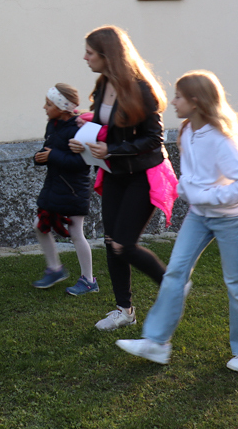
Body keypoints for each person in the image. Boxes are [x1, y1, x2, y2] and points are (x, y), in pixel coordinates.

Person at [116, 71, 238, 372]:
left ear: (196, 101)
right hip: (199, 216)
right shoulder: (188, 130)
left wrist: (206, 196)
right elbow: (191, 175)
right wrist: (187, 188)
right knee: (174, 273)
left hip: (231, 220)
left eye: (178, 96)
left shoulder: (221, 139)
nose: (173, 102)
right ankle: (157, 343)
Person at [68, 26, 168, 331]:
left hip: (141, 175)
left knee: (124, 244)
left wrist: (112, 149)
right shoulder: (102, 85)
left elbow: (154, 138)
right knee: (112, 243)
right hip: (113, 174)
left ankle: (172, 283)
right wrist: (85, 138)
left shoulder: (141, 89)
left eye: (90, 52)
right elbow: (108, 128)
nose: (85, 57)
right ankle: (124, 310)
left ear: (107, 55)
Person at [31, 83, 97, 295]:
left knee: (76, 233)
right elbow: (48, 150)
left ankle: (89, 280)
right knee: (40, 225)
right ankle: (55, 269)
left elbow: (82, 163)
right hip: (54, 187)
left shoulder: (79, 130)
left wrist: (52, 156)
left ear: (62, 107)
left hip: (74, 191)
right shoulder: (53, 125)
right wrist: (40, 157)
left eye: (49, 104)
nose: (44, 107)